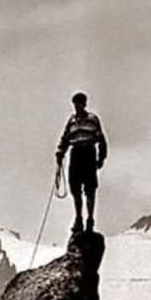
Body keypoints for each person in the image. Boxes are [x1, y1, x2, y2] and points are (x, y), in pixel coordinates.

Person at [56, 92, 107, 234]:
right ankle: (78, 218)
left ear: (84, 104)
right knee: (75, 188)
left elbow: (101, 139)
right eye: (75, 104)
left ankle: (90, 219)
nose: (76, 107)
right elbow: (65, 139)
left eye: (79, 104)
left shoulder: (92, 119)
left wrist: (101, 157)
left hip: (88, 153)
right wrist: (60, 152)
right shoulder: (71, 121)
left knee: (90, 189)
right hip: (76, 154)